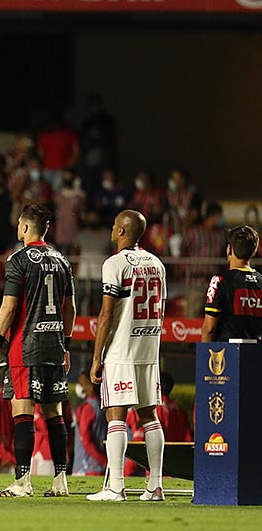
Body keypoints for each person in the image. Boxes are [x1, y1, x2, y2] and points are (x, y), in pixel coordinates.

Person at [0, 204, 76, 498]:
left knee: (22, 409)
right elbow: (69, 308)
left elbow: (10, 305)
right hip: (54, 344)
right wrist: (67, 342)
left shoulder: (18, 260)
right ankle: (60, 481)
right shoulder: (62, 260)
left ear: (25, 228)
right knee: (55, 413)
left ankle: (23, 482)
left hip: (26, 345)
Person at [88, 210, 167, 501]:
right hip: (149, 348)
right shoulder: (157, 264)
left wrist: (97, 357)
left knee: (115, 415)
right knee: (149, 415)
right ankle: (155, 486)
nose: (111, 227)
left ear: (122, 231)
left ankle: (116, 487)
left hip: (122, 350)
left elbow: (107, 314)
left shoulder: (114, 264)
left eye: (114, 224)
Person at [202, 224, 262, 342]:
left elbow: (209, 328)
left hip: (227, 355)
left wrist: (206, 358)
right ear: (254, 251)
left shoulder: (219, 281)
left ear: (229, 249)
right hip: (257, 355)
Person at [72, 372, 107, 477]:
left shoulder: (89, 408)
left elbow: (85, 440)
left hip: (87, 467)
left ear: (91, 387)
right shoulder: (98, 407)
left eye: (82, 384)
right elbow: (86, 439)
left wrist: (103, 460)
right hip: (92, 466)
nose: (80, 388)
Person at [79, 93, 118, 187]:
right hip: (89, 164)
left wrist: (110, 166)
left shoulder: (107, 121)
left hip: (104, 163)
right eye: (91, 104)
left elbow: (108, 141)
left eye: (95, 104)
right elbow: (83, 142)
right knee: (89, 188)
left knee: (104, 189)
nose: (93, 107)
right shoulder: (86, 123)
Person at [36, 113, 80, 187]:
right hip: (47, 169)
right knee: (46, 192)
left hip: (62, 169)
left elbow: (76, 152)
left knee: (57, 192)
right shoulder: (44, 135)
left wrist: (69, 167)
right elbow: (40, 153)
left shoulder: (69, 134)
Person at [156, 372, 192, 443]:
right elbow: (187, 433)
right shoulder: (178, 408)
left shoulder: (154, 408)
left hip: (161, 447)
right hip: (178, 448)